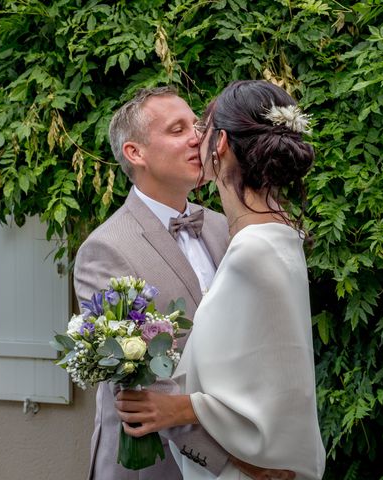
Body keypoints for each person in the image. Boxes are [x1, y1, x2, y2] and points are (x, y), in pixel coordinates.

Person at [74, 86, 298, 480]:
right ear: (135, 153)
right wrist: (238, 464)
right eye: (177, 130)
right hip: (152, 466)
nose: (197, 136)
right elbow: (142, 388)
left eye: (196, 125)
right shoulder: (106, 250)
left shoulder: (225, 227)